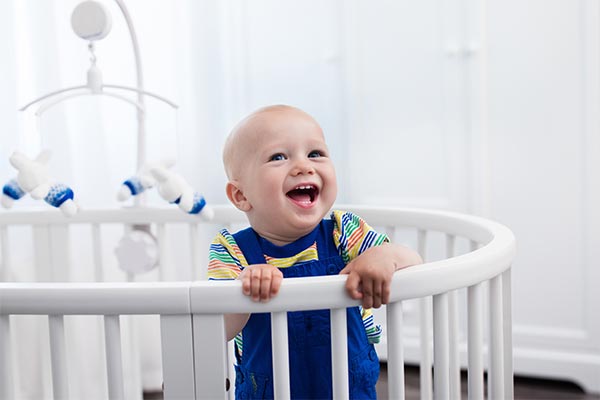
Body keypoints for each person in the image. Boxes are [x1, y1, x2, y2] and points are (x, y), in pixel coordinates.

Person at [208, 105, 422, 399]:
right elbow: (217, 329)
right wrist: (244, 290)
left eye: (315, 154)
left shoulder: (344, 232)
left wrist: (384, 255)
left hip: (348, 390)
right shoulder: (233, 252)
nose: (303, 166)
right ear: (241, 195)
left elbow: (414, 262)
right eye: (278, 157)